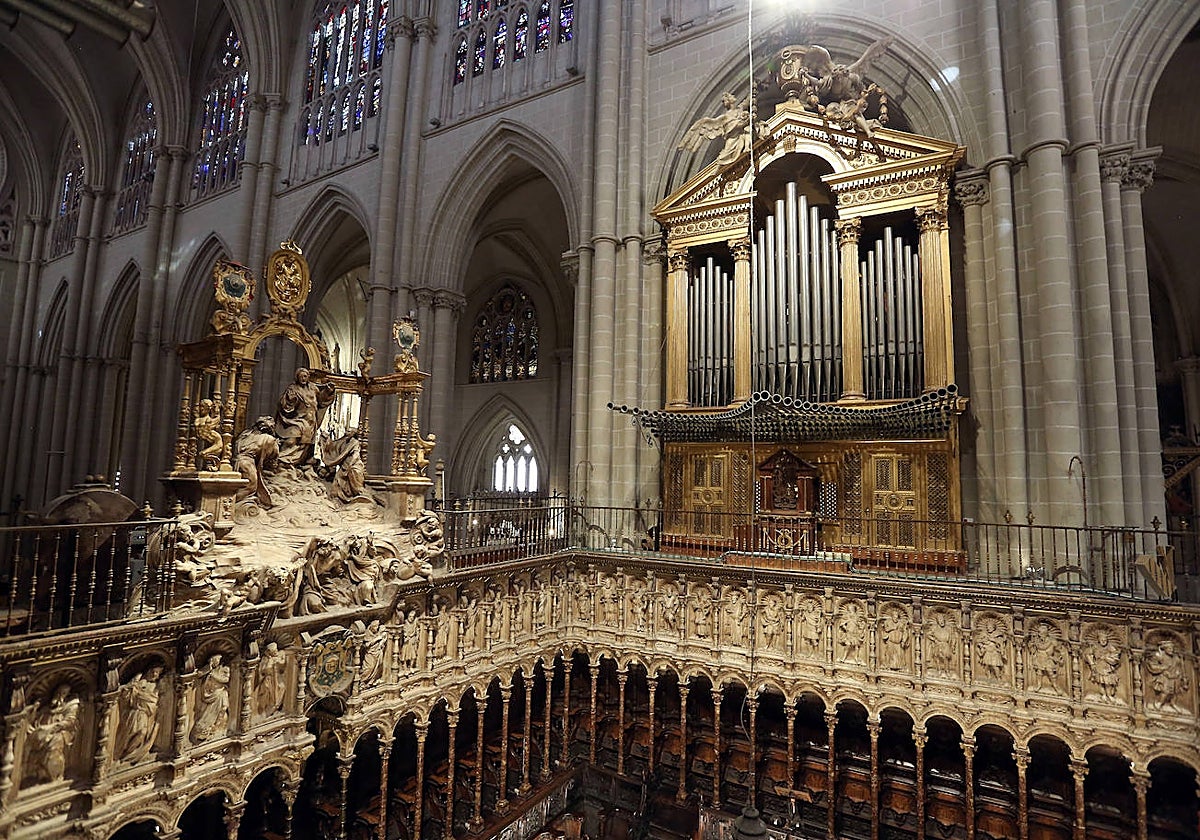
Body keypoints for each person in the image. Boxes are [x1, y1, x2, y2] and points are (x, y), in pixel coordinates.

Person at [275, 367, 335, 466]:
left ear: (308, 377)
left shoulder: (313, 388)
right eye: (301, 376)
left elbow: (321, 401)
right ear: (297, 377)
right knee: (292, 440)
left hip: (310, 421)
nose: (303, 378)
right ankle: (282, 460)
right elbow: (284, 405)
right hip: (297, 420)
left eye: (305, 376)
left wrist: (328, 392)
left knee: (305, 445)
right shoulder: (293, 388)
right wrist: (290, 400)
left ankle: (296, 464)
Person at [26, 684, 81, 784]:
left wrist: (52, 727)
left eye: (63, 693)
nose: (60, 695)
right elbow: (37, 718)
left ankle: (55, 778)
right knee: (37, 754)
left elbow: (70, 721)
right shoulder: (48, 707)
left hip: (61, 734)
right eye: (58, 692)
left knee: (53, 751)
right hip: (43, 734)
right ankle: (40, 777)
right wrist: (35, 708)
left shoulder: (71, 705)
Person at [115, 665, 163, 762]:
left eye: (157, 673)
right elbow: (125, 694)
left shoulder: (155, 686)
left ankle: (129, 754)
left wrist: (140, 696)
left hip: (145, 713)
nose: (154, 674)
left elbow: (153, 701)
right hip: (134, 712)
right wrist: (133, 687)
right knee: (131, 732)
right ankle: (124, 753)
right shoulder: (139, 682)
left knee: (142, 732)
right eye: (153, 671)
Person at [235, 415, 280, 507]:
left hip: (235, 461)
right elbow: (273, 460)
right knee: (250, 487)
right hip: (247, 463)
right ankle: (230, 505)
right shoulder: (269, 439)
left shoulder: (244, 435)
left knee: (241, 486)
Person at [191, 654, 231, 742]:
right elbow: (198, 674)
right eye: (214, 660)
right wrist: (208, 669)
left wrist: (213, 676)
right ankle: (203, 731)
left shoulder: (225, 669)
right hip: (208, 694)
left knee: (224, 707)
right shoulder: (209, 668)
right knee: (207, 713)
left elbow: (226, 680)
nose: (216, 662)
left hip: (220, 692)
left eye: (217, 660)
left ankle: (215, 728)